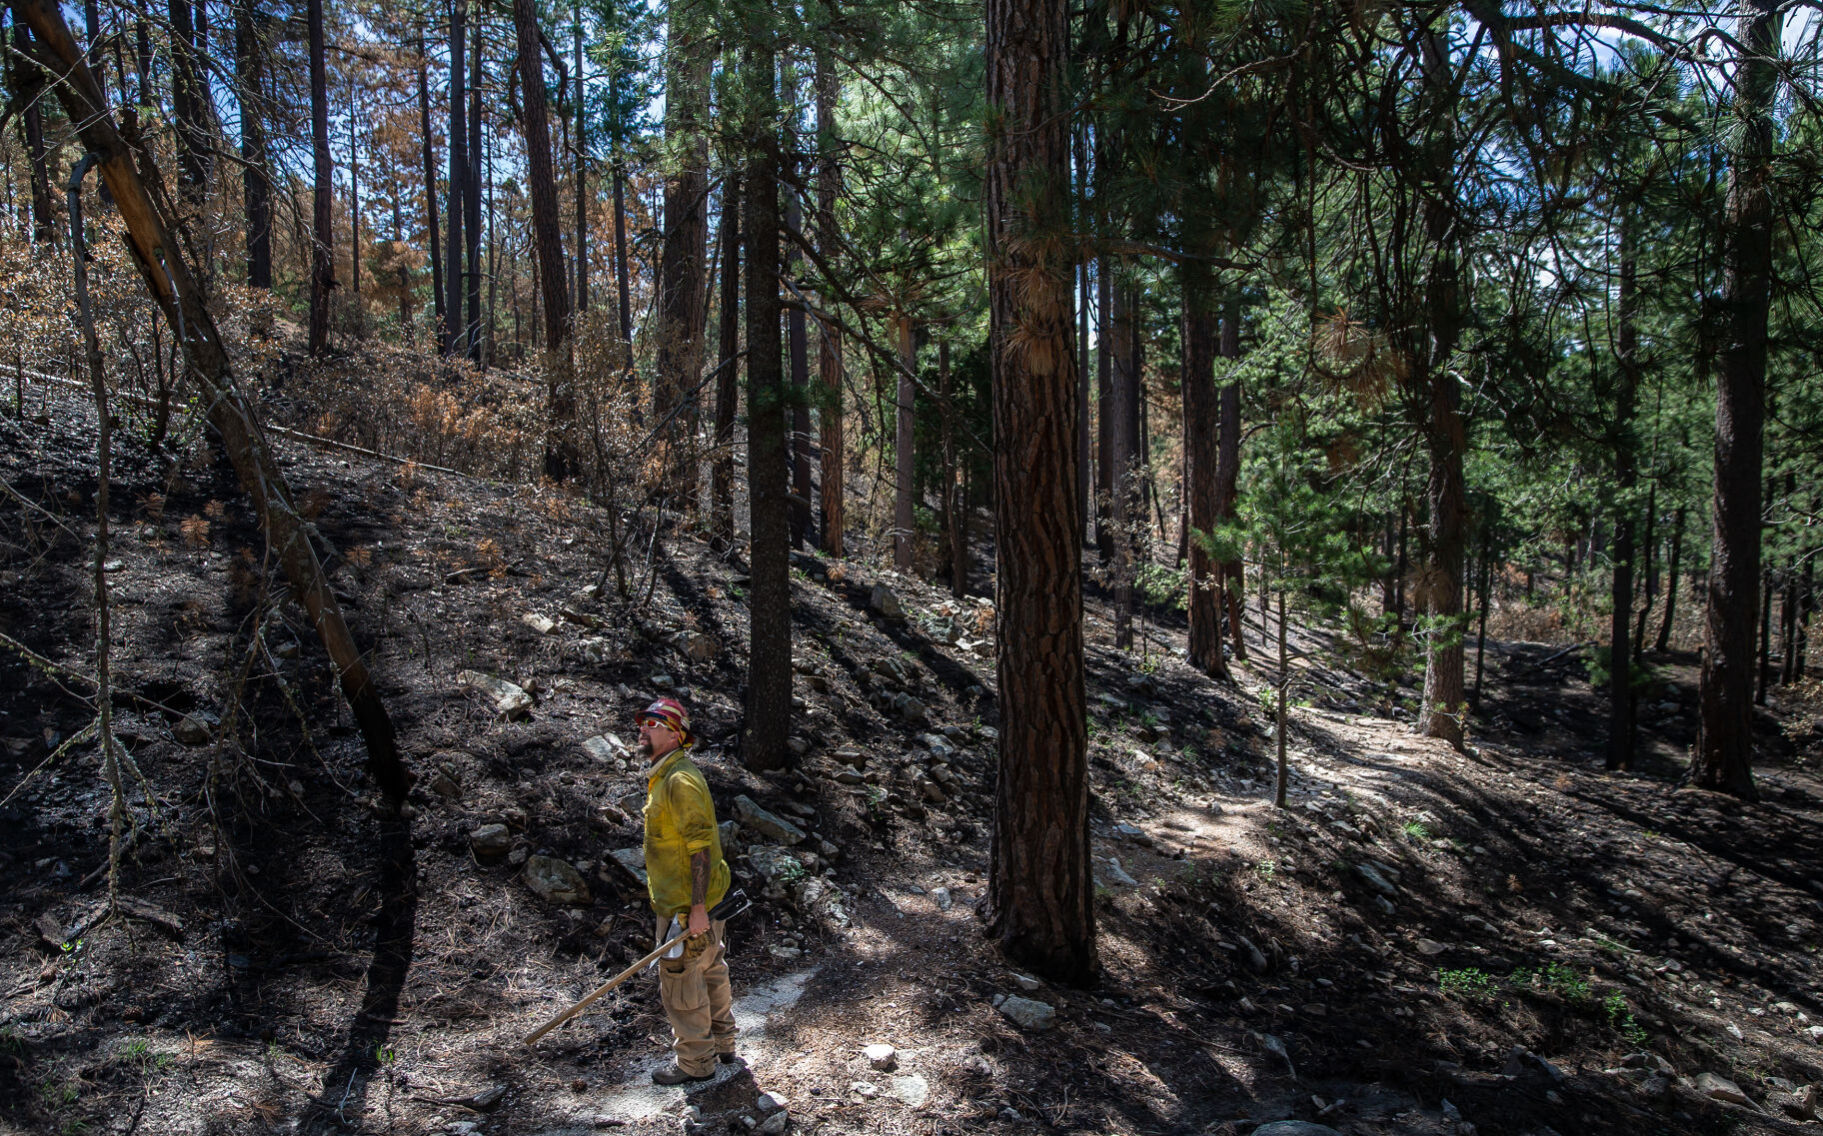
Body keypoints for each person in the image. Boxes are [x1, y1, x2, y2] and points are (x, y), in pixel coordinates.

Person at [635, 697, 737, 1084]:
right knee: (710, 969)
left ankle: (696, 1064)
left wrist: (694, 909)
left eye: (653, 723)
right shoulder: (667, 775)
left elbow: (701, 847)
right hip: (702, 902)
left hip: (688, 906)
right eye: (643, 722)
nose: (643, 729)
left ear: (676, 734)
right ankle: (723, 1046)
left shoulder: (678, 780)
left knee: (681, 980)